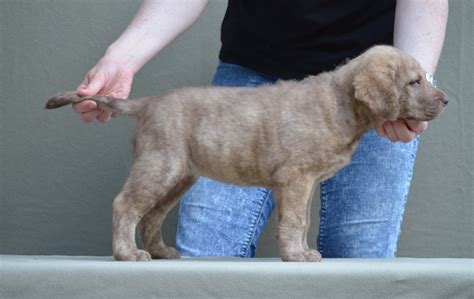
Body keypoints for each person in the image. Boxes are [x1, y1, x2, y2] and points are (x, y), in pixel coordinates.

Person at [73, 0, 448, 258]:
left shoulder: (382, 83)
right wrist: (122, 58)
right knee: (207, 256)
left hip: (374, 87)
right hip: (254, 80)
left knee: (360, 261)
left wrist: (413, 85)